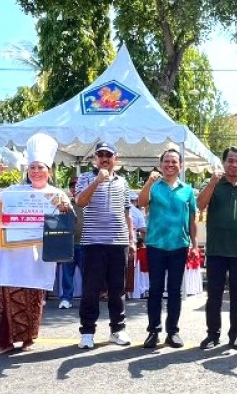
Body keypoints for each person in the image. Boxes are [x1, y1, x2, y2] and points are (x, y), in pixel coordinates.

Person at [0, 133, 70, 355]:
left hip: (38, 255)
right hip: (12, 254)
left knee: (33, 297)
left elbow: (67, 222)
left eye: (40, 167)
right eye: (32, 168)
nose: (36, 171)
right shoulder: (14, 192)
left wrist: (61, 210)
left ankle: (29, 338)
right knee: (9, 295)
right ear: (27, 171)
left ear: (49, 171)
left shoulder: (56, 194)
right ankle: (5, 341)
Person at [197, 146, 237, 350]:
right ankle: (212, 334)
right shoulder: (213, 183)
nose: (234, 165)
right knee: (214, 294)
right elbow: (200, 205)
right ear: (223, 163)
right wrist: (213, 183)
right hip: (216, 249)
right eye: (230, 161)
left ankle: (235, 334)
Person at [75, 142, 136, 349]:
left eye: (108, 155)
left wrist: (132, 239)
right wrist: (97, 182)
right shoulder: (85, 177)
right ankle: (87, 332)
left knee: (117, 290)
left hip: (118, 243)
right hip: (93, 242)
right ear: (94, 158)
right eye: (100, 155)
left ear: (115, 158)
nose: (104, 158)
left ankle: (117, 330)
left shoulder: (123, 182)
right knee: (91, 289)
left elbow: (127, 213)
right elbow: (80, 202)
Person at [137, 147, 198, 349]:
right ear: (161, 164)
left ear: (180, 166)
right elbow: (141, 202)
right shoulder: (154, 185)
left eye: (174, 162)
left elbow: (192, 218)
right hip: (156, 244)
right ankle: (153, 331)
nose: (170, 165)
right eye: (167, 161)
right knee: (155, 290)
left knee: (174, 291)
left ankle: (173, 332)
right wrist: (148, 182)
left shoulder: (188, 191)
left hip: (179, 245)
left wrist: (195, 244)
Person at [57, 177, 83, 310]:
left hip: (86, 244)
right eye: (72, 186)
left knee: (87, 274)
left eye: (77, 186)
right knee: (67, 274)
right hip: (69, 243)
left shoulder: (87, 202)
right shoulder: (66, 203)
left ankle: (87, 299)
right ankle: (66, 298)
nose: (75, 188)